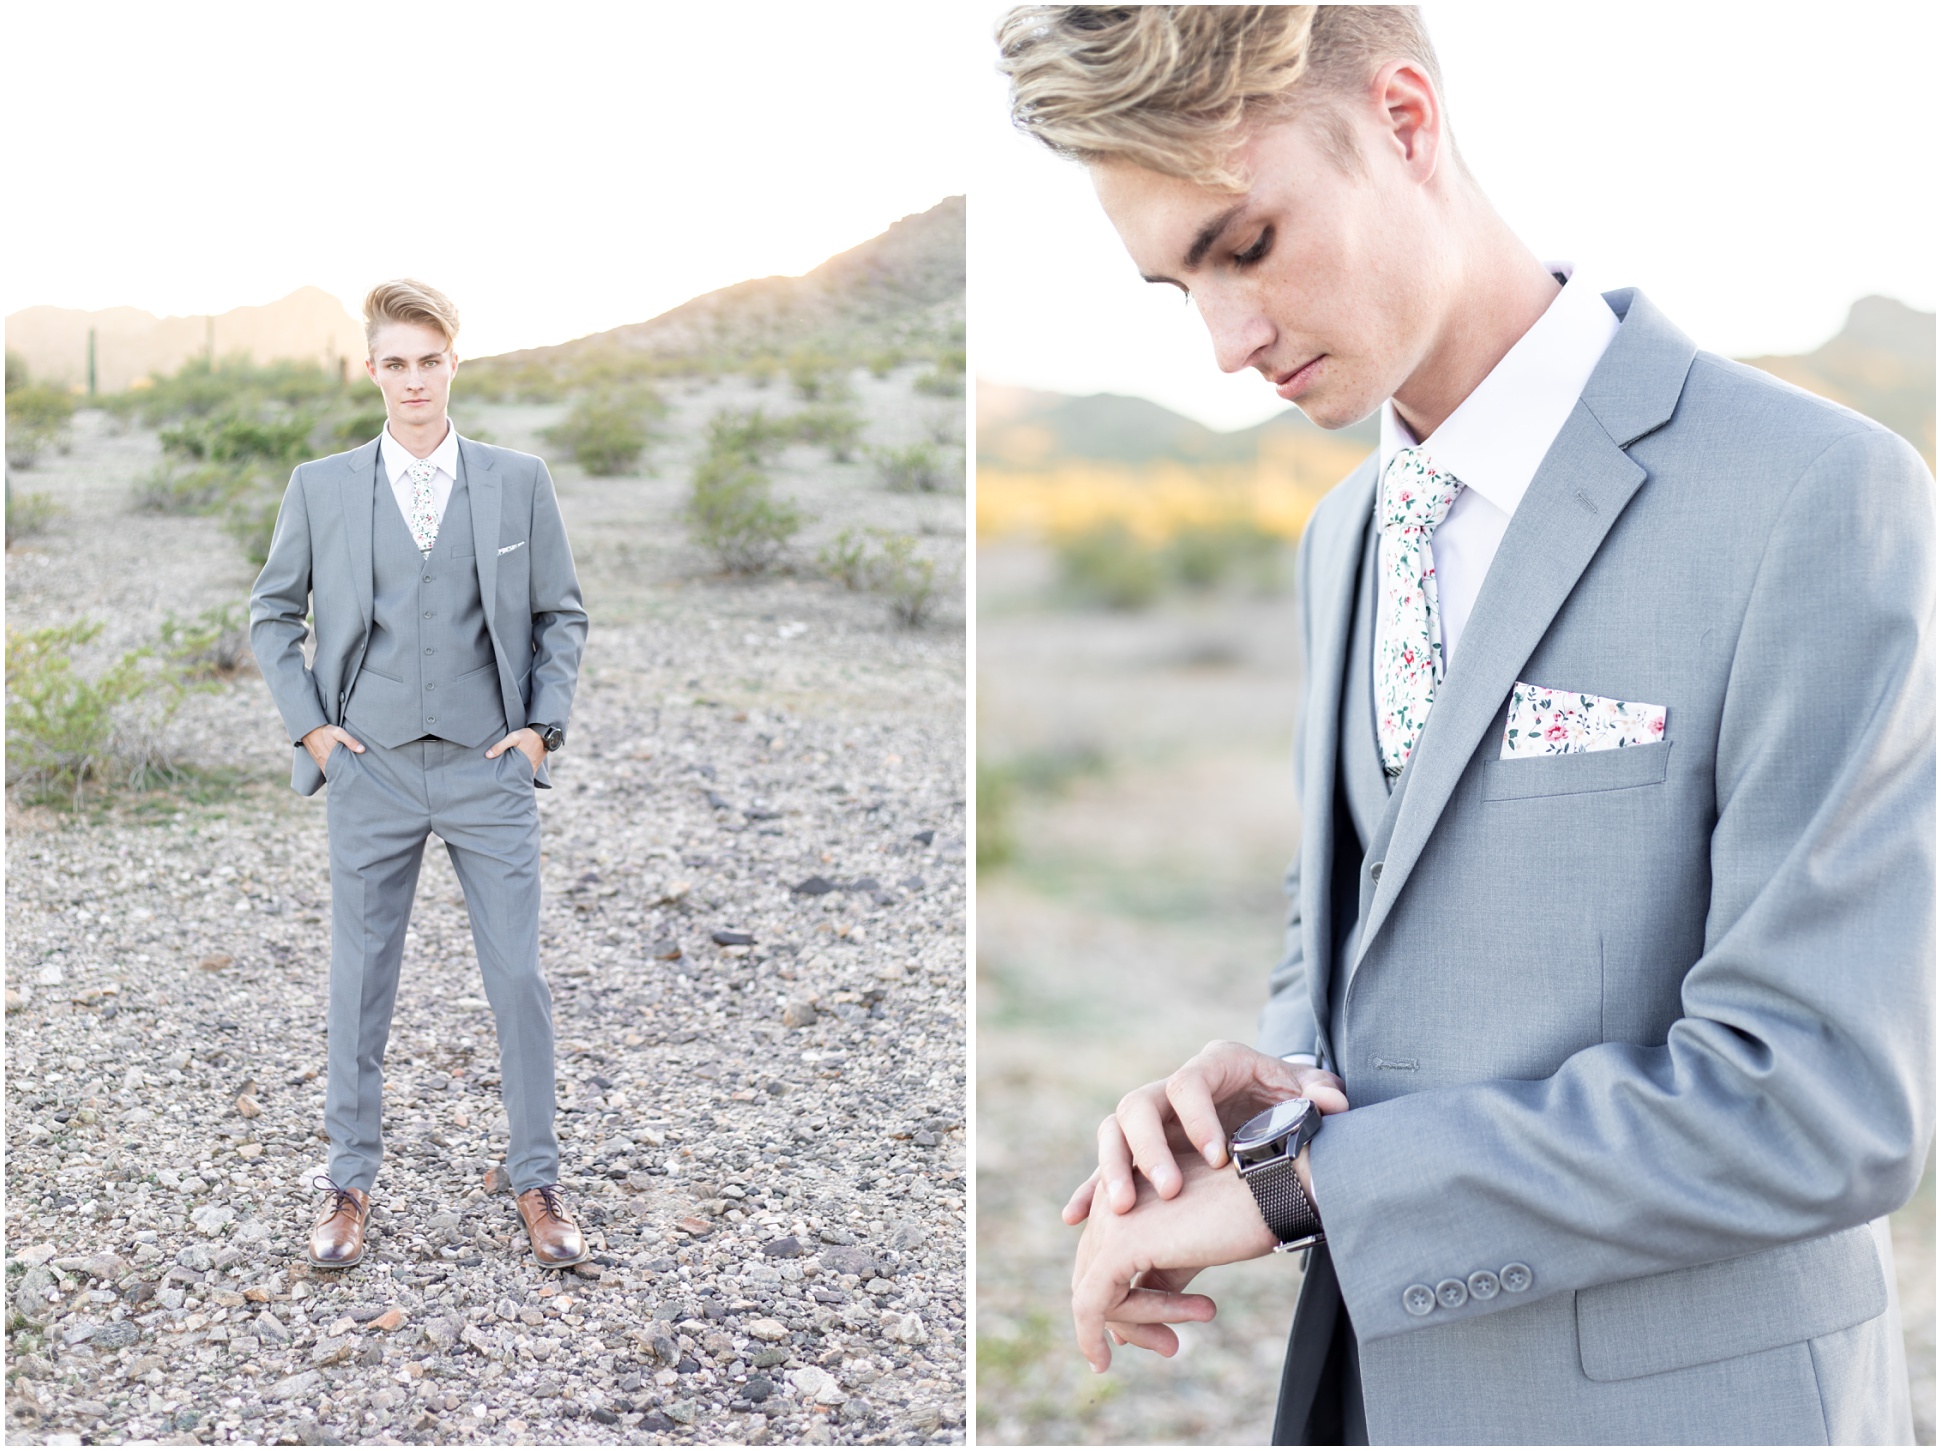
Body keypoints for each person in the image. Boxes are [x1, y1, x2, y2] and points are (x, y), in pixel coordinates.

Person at [995, 6, 1934, 1443]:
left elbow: (1819, 1097)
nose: (1226, 343)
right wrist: (1256, 1109)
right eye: (1173, 284)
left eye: (1243, 246)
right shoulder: (1343, 534)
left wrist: (1307, 1191)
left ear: (1406, 121)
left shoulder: (1812, 493)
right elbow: (1376, 947)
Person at [249, 279, 592, 1272]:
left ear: (455, 363)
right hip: (373, 768)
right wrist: (313, 730)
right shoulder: (320, 485)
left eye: (428, 360)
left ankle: (537, 1180)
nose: (412, 380)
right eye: (393, 362)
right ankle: (348, 1183)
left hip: (491, 768)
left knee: (518, 975)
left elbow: (561, 612)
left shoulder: (518, 479)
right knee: (361, 980)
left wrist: (539, 730)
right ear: (371, 371)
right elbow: (274, 612)